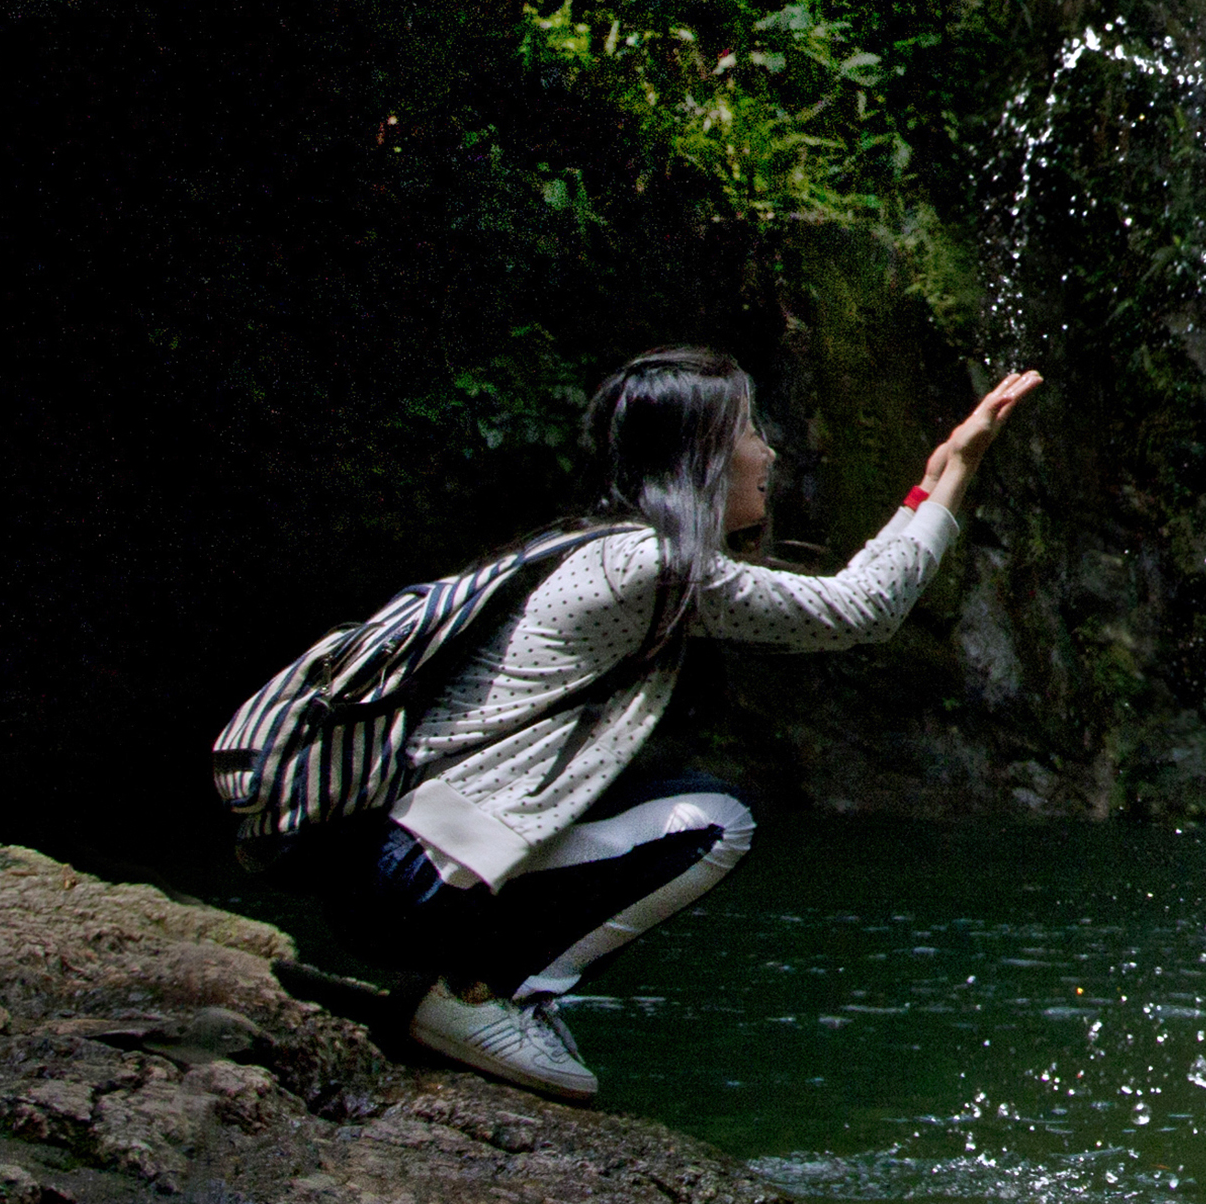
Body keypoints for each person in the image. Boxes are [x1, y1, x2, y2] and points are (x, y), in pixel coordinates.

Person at [310, 344, 1039, 1104]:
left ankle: (479, 986)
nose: (768, 451)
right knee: (716, 820)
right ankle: (484, 995)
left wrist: (928, 487)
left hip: (391, 867)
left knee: (674, 799)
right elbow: (861, 610)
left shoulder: (589, 544)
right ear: (706, 456)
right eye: (751, 431)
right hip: (415, 877)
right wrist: (949, 474)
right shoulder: (649, 567)